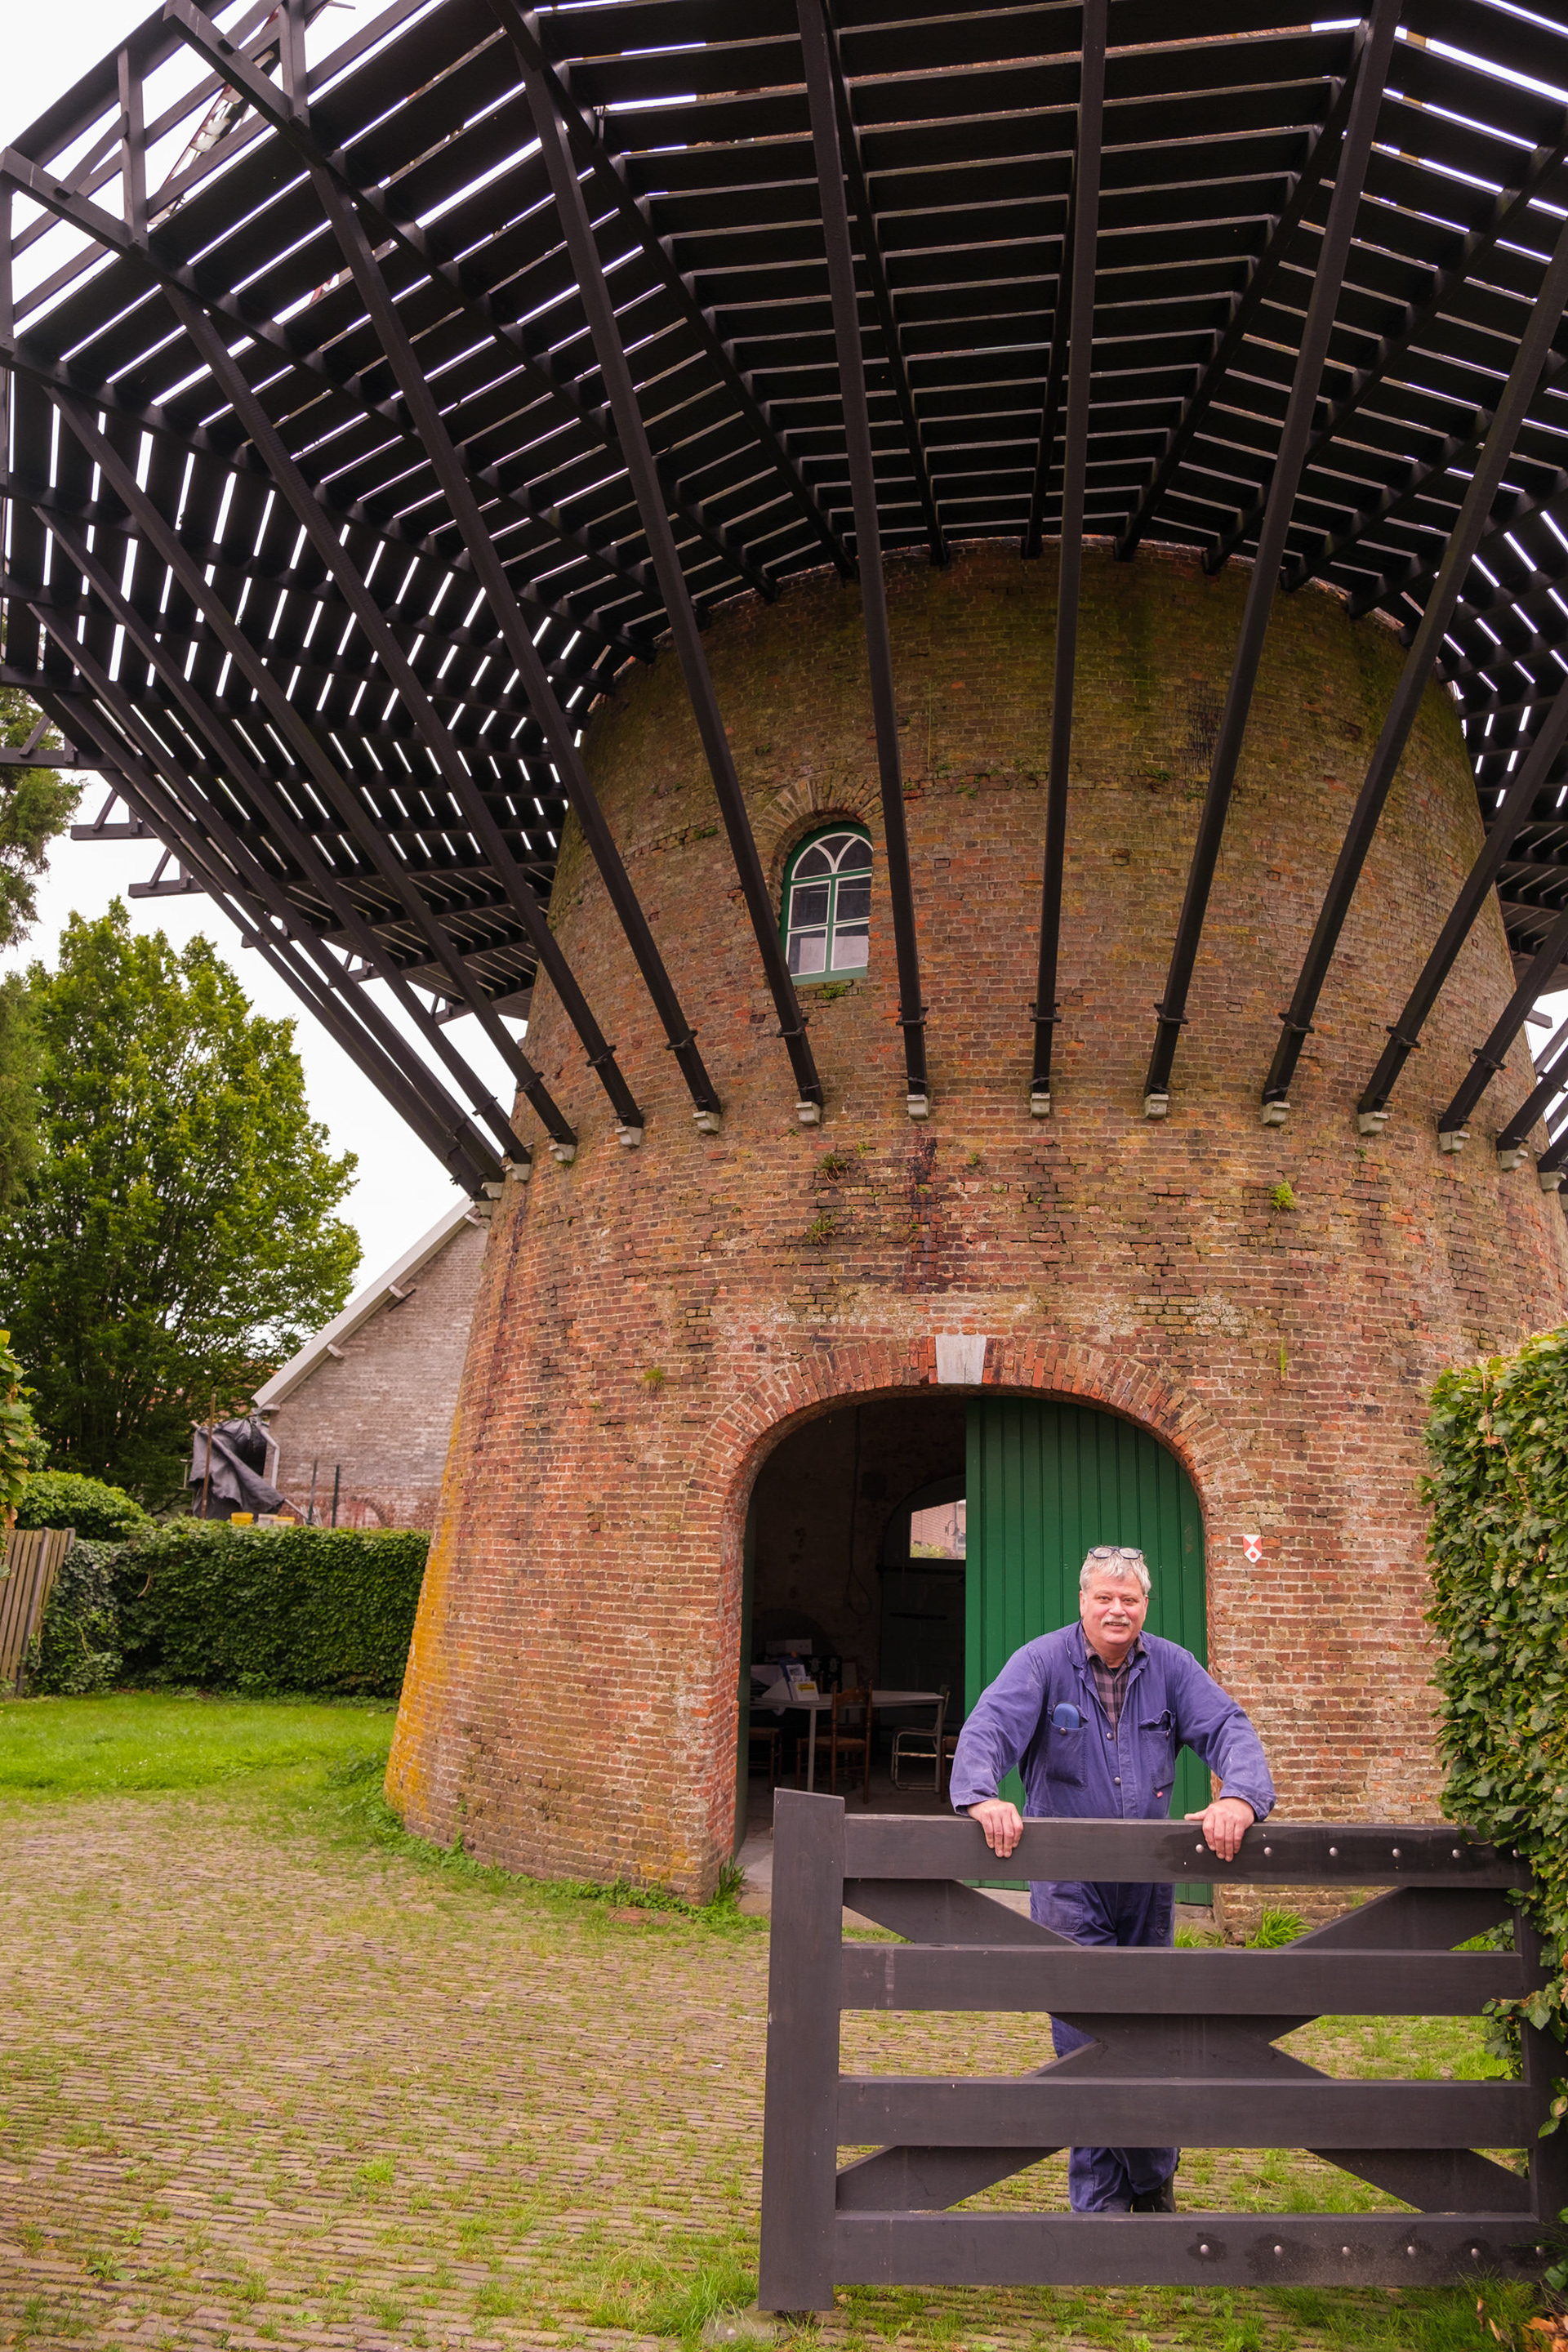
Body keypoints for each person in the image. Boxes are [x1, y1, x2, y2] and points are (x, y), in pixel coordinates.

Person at [947, 1541, 1276, 2216]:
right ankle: (1124, 2196)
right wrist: (982, 1795)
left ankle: (1136, 2188)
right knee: (1088, 2038)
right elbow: (989, 1728)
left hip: (1149, 1888)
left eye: (1129, 1599)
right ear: (1083, 1602)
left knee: (1146, 2033)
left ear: (1145, 1606)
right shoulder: (1041, 1663)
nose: (1117, 1609)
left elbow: (1229, 1727)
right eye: (1104, 1597)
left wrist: (1240, 1797)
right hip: (1069, 1884)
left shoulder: (1173, 1668)